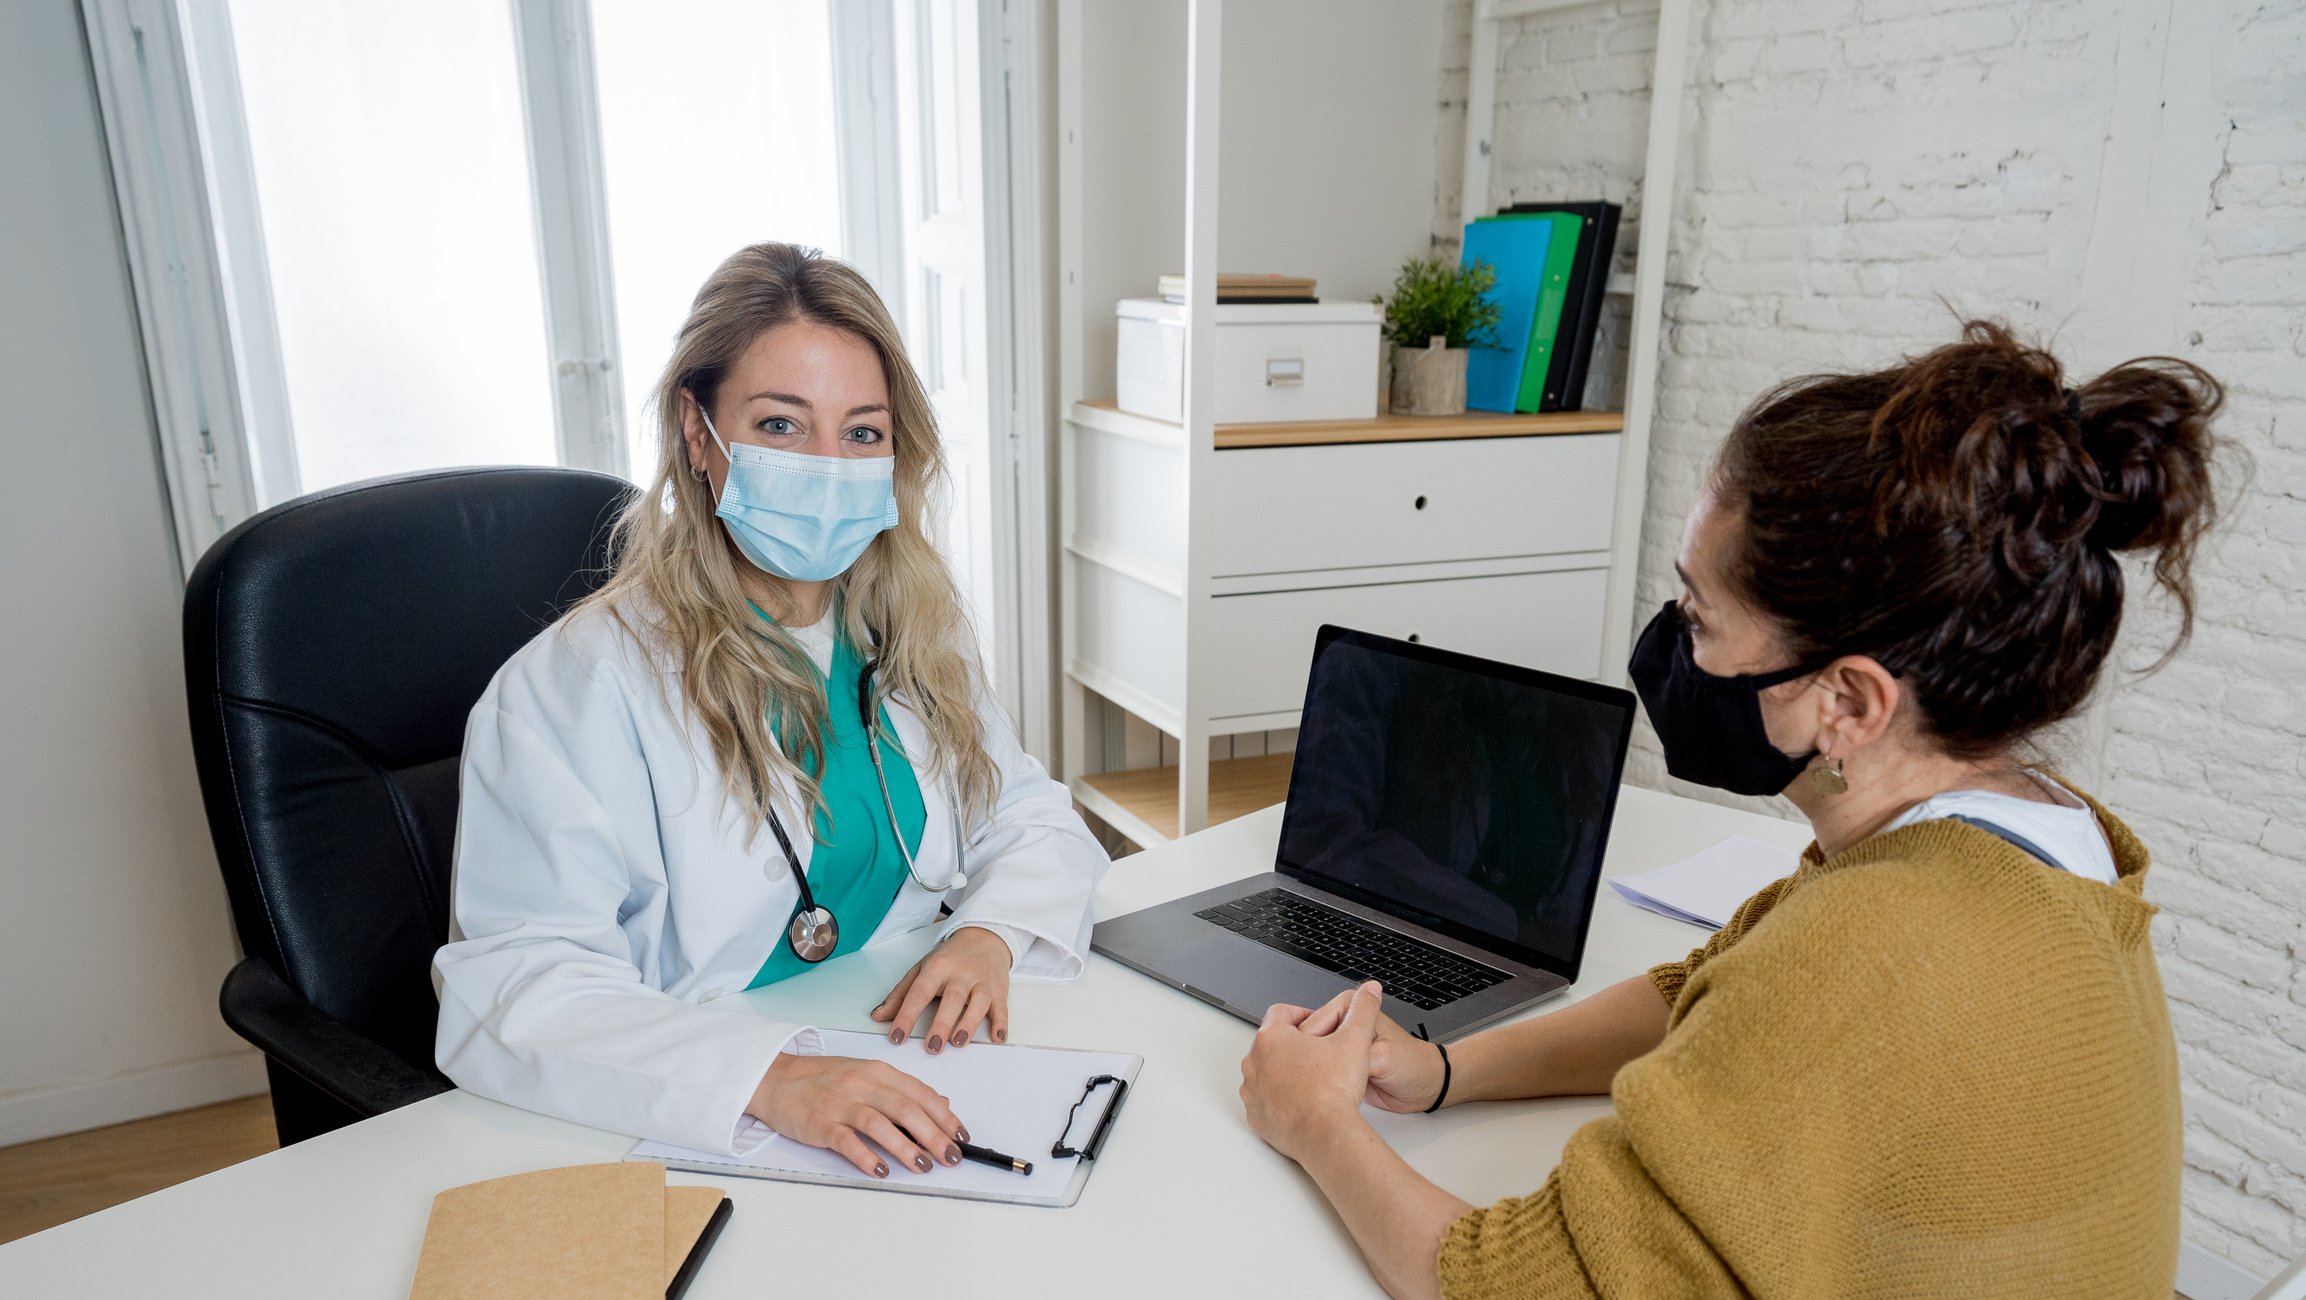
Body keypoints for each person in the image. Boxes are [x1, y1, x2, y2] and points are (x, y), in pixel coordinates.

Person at [1237, 320, 2221, 1299]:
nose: (1673, 649)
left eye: (1700, 621)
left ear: (1847, 702)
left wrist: (1314, 1121)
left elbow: (1503, 1286)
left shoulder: (1874, 946)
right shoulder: (2029, 830)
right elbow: (1706, 992)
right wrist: (1444, 1070)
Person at [435, 243, 1108, 1180]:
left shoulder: (906, 632)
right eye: (783, 425)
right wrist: (769, 1078)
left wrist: (989, 936)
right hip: (696, 1115)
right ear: (698, 432)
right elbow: (517, 986)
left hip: (918, 1063)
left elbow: (1031, 816)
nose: (830, 467)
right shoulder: (578, 686)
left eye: (863, 433)